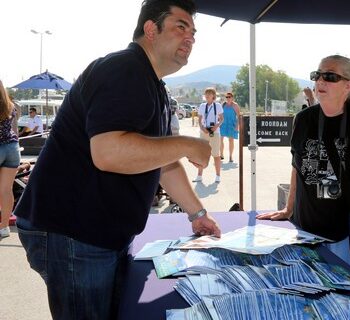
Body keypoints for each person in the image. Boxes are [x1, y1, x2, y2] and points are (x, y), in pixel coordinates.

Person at [13, 1, 221, 318]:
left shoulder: (153, 85)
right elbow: (109, 153)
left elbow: (162, 162)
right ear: (150, 29)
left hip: (97, 233)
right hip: (74, 233)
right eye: (181, 26)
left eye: (193, 31)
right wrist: (188, 144)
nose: (190, 37)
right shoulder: (124, 70)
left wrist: (198, 213)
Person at [257, 55, 350, 271]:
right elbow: (296, 165)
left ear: (348, 85)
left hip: (344, 234)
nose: (320, 81)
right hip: (304, 228)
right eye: (317, 75)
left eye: (330, 76)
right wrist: (288, 208)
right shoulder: (303, 119)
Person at [0, 81, 20, 239]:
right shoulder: (11, 106)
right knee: (6, 190)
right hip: (13, 148)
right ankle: (4, 226)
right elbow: (14, 131)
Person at [195, 87, 223, 183]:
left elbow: (222, 119)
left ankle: (218, 176)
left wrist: (216, 126)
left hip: (215, 132)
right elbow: (199, 119)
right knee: (201, 153)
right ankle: (199, 176)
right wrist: (202, 128)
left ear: (213, 96)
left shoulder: (218, 105)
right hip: (204, 132)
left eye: (209, 94)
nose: (207, 95)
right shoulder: (202, 106)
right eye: (206, 93)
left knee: (216, 154)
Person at [219, 92, 240, 163]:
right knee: (220, 139)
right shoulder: (223, 105)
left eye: (229, 97)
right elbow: (220, 115)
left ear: (232, 98)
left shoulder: (235, 105)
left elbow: (238, 116)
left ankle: (230, 156)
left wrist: (237, 126)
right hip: (223, 124)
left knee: (231, 140)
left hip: (231, 124)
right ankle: (221, 154)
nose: (228, 98)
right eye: (227, 97)